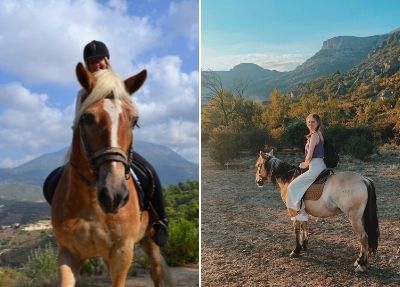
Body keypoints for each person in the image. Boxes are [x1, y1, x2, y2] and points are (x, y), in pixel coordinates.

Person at [43, 40, 168, 246]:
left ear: (107, 60)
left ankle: (160, 222)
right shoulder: (82, 93)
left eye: (98, 60)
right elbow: (77, 123)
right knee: (53, 182)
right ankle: (62, 214)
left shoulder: (120, 87)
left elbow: (129, 117)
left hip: (117, 145)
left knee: (149, 172)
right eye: (90, 62)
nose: (95, 65)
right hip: (90, 147)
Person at [286, 113, 326, 221]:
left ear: (318, 123)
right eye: (308, 122)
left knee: (291, 187)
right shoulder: (319, 134)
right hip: (321, 165)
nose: (310, 124)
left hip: (315, 166)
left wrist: (305, 164)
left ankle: (302, 212)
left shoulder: (314, 136)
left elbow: (310, 155)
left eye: (313, 122)